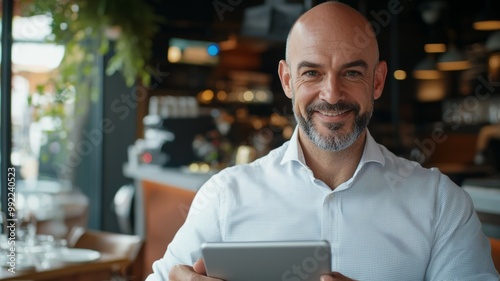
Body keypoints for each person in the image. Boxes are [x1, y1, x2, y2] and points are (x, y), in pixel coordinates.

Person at [146, 1, 500, 280]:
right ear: (287, 80)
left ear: (377, 81)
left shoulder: (441, 204)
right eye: (312, 72)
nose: (332, 94)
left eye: (352, 72)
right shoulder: (224, 196)